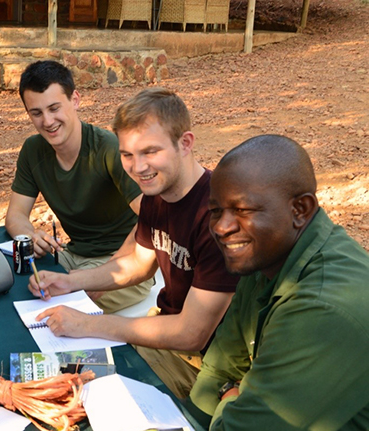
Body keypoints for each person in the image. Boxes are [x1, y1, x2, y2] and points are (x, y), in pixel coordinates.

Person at [31, 88, 240, 399]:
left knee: (86, 396)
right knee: (57, 379)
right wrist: (70, 281)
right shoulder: (158, 192)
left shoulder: (217, 219)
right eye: (127, 154)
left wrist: (89, 324)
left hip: (209, 363)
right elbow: (139, 264)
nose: (138, 167)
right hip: (164, 332)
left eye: (150, 151)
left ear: (185, 143)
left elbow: (193, 333)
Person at [188, 135, 369, 431]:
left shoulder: (324, 308)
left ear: (300, 209)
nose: (222, 227)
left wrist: (231, 395)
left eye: (243, 209)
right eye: (216, 210)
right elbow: (215, 372)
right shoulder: (265, 259)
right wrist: (231, 393)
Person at [5, 60, 153, 313]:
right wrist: (30, 235)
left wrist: (104, 276)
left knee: (52, 306)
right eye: (36, 113)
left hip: (121, 262)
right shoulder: (33, 150)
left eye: (54, 108)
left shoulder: (108, 148)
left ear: (75, 100)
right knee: (15, 286)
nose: (48, 121)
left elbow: (155, 217)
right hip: (71, 255)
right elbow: (15, 215)